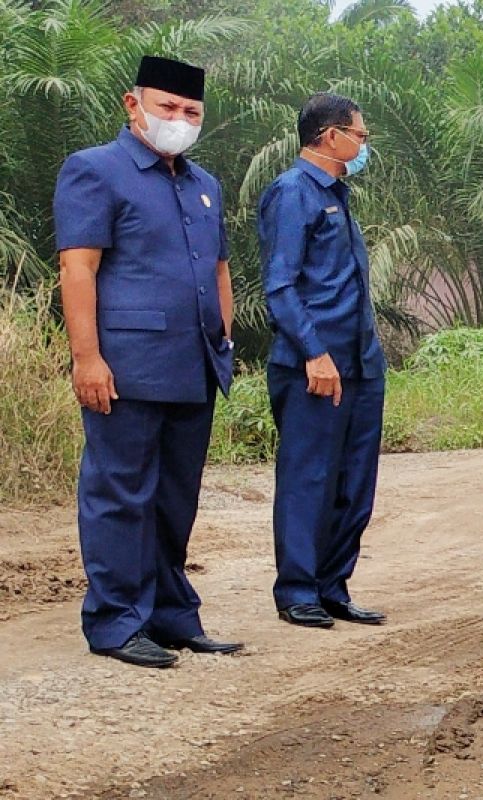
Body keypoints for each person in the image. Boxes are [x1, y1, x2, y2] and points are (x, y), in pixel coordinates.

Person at [54, 56, 243, 668]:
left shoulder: (204, 184)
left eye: (191, 112)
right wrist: (88, 359)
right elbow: (77, 268)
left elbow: (219, 271)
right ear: (132, 104)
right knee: (119, 494)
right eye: (167, 107)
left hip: (194, 366)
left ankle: (170, 615)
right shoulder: (95, 171)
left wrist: (224, 342)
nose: (179, 120)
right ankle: (114, 622)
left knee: (174, 497)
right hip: (127, 365)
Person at [258, 93, 387, 629]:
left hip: (360, 364)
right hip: (315, 365)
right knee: (308, 479)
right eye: (359, 135)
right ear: (330, 136)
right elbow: (281, 286)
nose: (363, 145)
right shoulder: (293, 194)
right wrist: (315, 352)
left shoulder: (340, 194)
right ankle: (297, 591)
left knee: (353, 484)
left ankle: (333, 586)